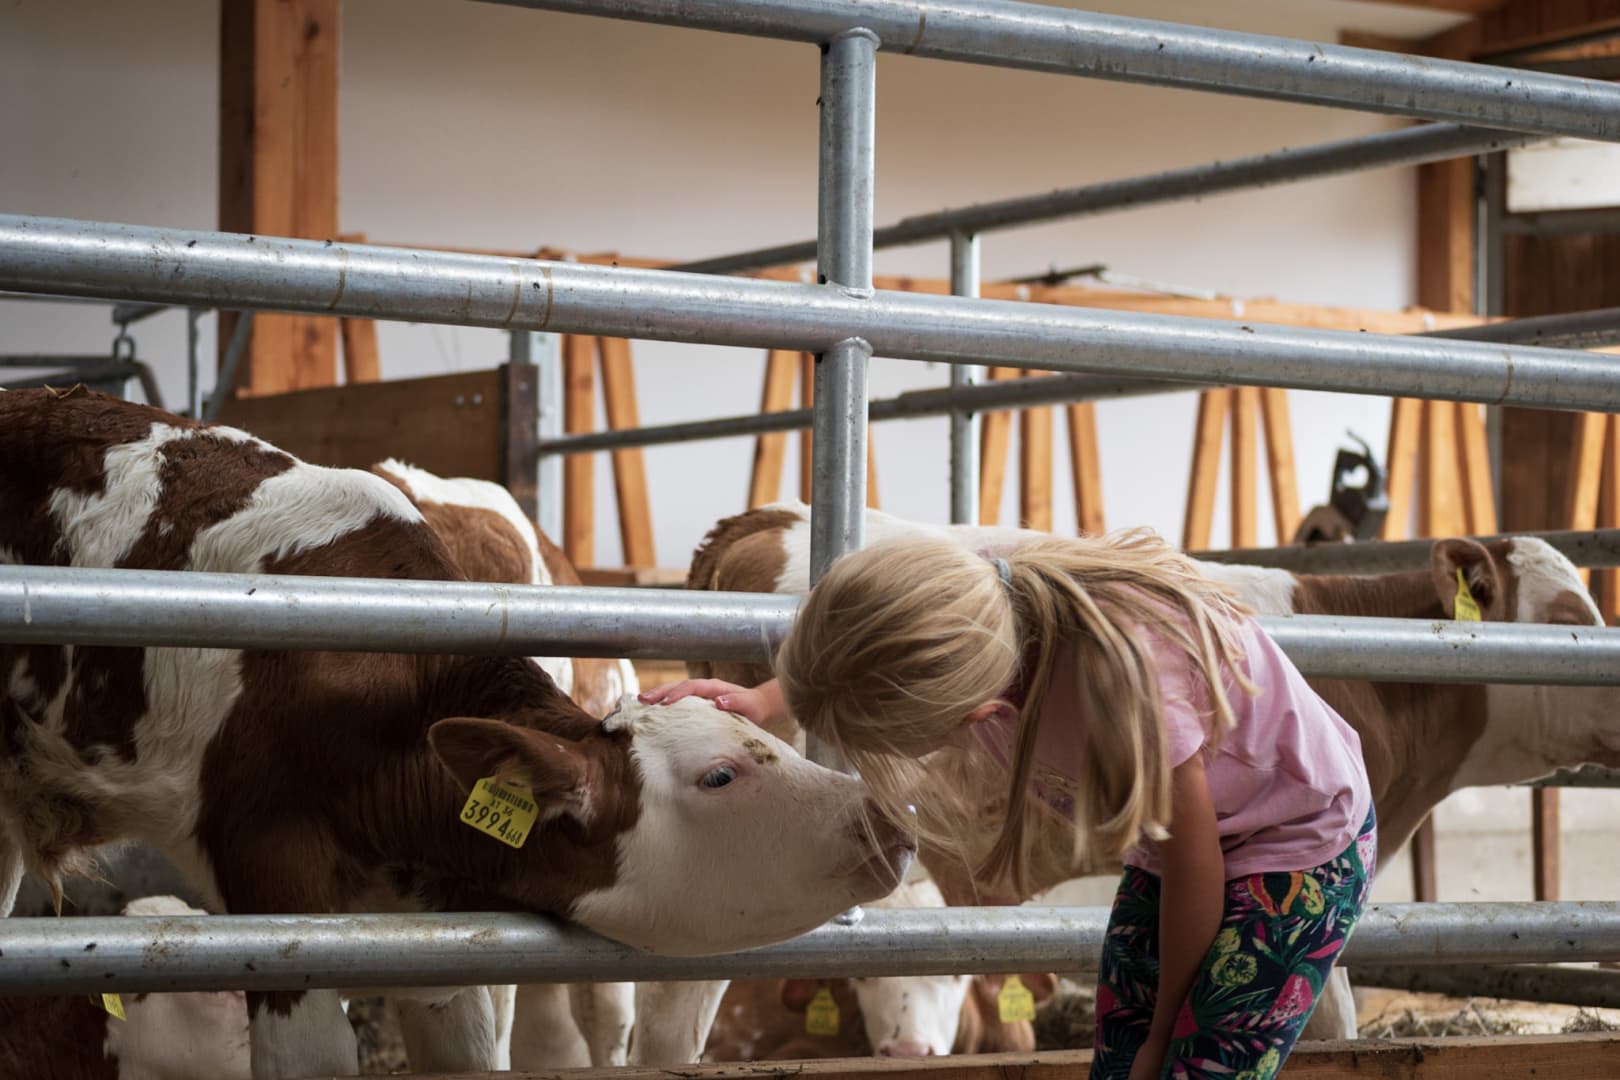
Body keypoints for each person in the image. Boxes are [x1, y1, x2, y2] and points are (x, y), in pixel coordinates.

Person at [642, 530, 1374, 1080]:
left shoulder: (1122, 685)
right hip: (1172, 846)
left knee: (1197, 1062)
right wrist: (769, 700)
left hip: (1298, 842)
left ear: (980, 718)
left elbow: (1196, 865)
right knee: (1121, 1059)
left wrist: (1165, 1033)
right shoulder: (970, 608)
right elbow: (864, 641)